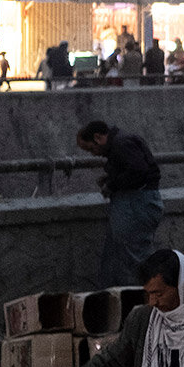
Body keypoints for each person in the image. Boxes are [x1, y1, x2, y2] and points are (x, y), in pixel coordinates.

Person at [76, 119, 163, 288]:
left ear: (98, 137)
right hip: (137, 203)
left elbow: (138, 171)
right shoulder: (122, 143)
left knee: (134, 261)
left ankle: (142, 301)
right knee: (123, 259)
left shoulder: (122, 144)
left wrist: (112, 185)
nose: (94, 154)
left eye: (92, 148)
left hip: (137, 205)